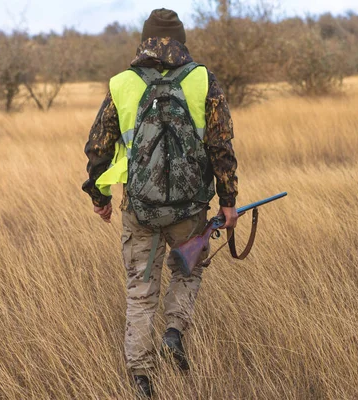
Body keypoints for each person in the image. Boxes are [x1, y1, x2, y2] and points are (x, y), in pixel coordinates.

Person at [82, 8, 239, 398]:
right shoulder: (203, 78)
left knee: (140, 291)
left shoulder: (122, 83)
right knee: (188, 272)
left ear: (145, 40)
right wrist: (229, 201)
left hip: (140, 210)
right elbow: (221, 146)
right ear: (182, 40)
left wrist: (99, 196)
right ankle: (173, 333)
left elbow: (98, 148)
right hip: (190, 211)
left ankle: (141, 377)